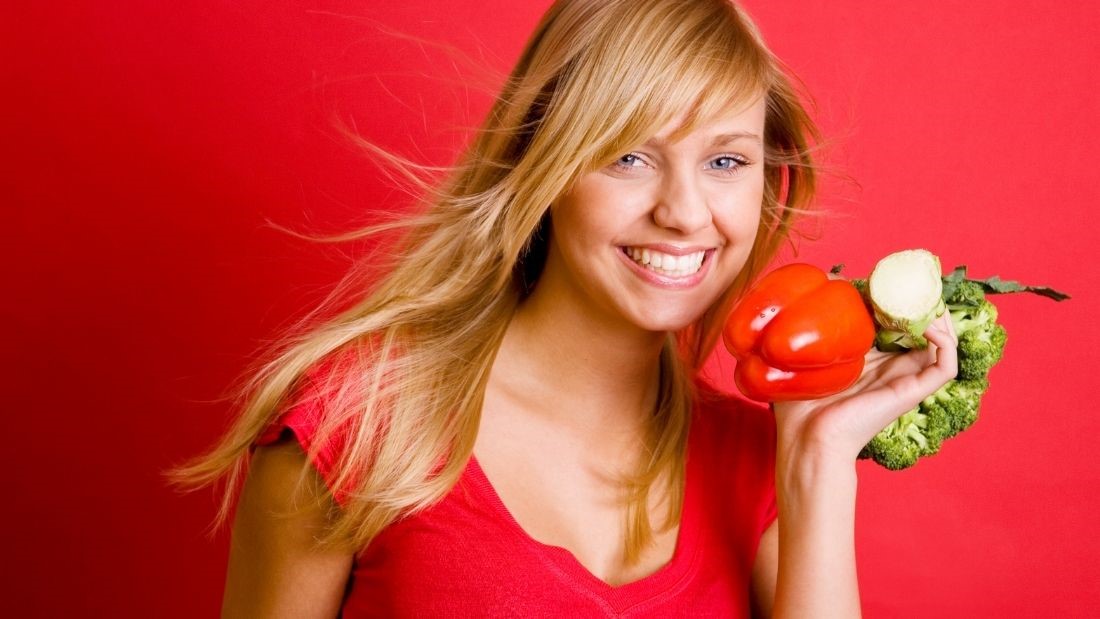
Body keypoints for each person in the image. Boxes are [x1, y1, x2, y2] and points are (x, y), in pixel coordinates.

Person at [171, 0, 958, 616]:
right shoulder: (361, 427)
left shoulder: (759, 463)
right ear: (542, 165)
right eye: (629, 156)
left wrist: (819, 465)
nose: (685, 211)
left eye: (725, 160)